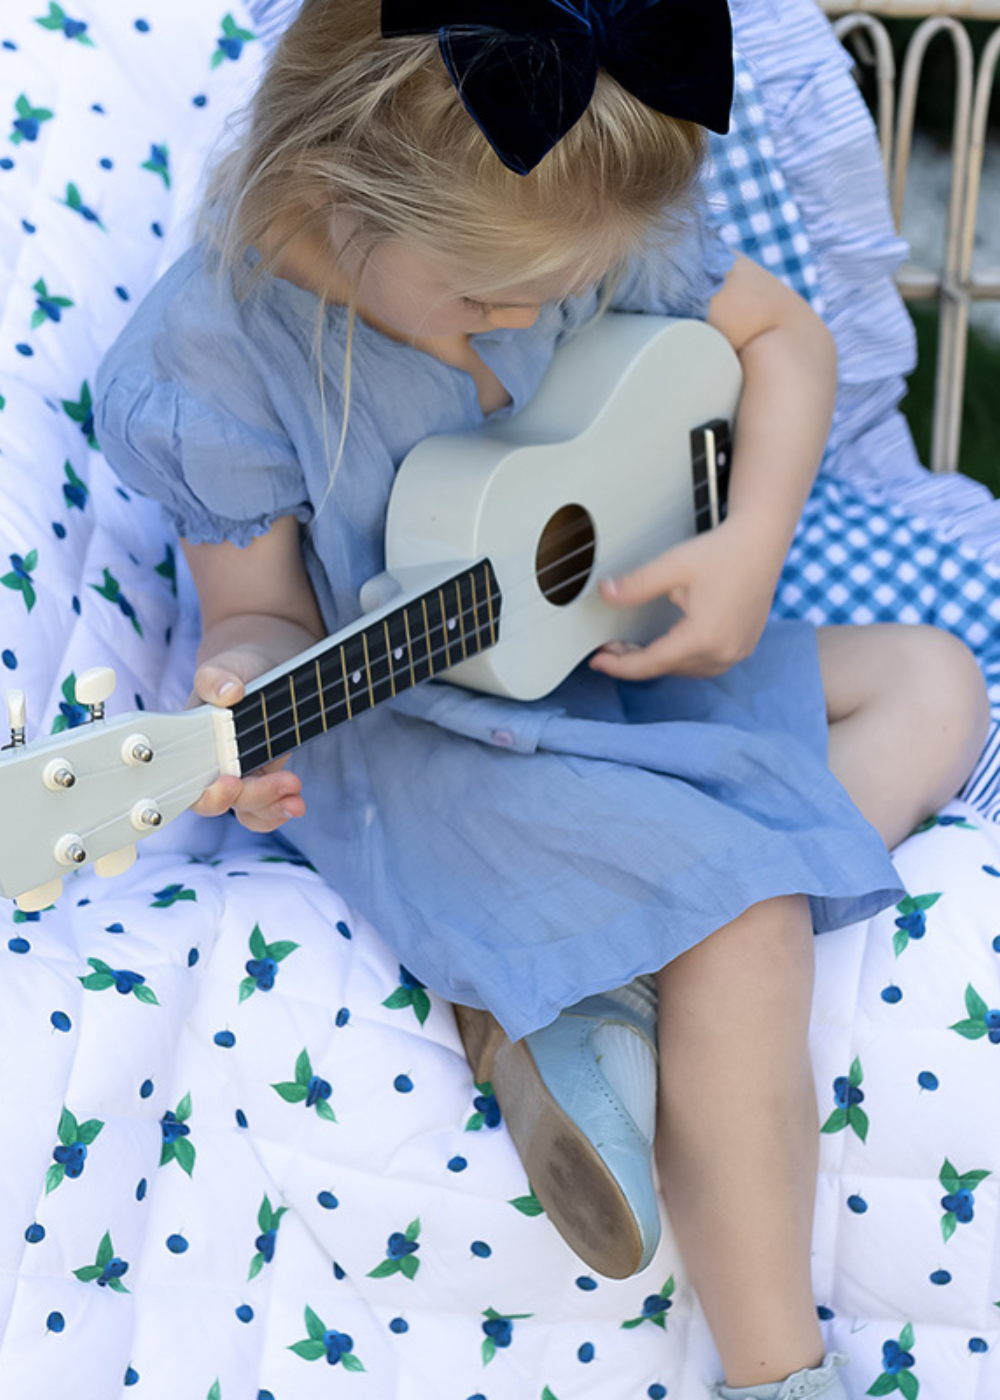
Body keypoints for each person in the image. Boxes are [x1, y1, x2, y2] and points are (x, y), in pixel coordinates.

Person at [94, 3, 990, 1396]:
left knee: (936, 684)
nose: (529, 321)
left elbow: (786, 343)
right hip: (437, 727)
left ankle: (606, 966)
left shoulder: (556, 190)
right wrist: (239, 694)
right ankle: (777, 1367)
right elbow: (258, 615)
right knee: (749, 923)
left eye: (555, 294)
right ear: (328, 191)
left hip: (613, 647)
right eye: (486, 304)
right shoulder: (222, 349)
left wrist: (751, 547)